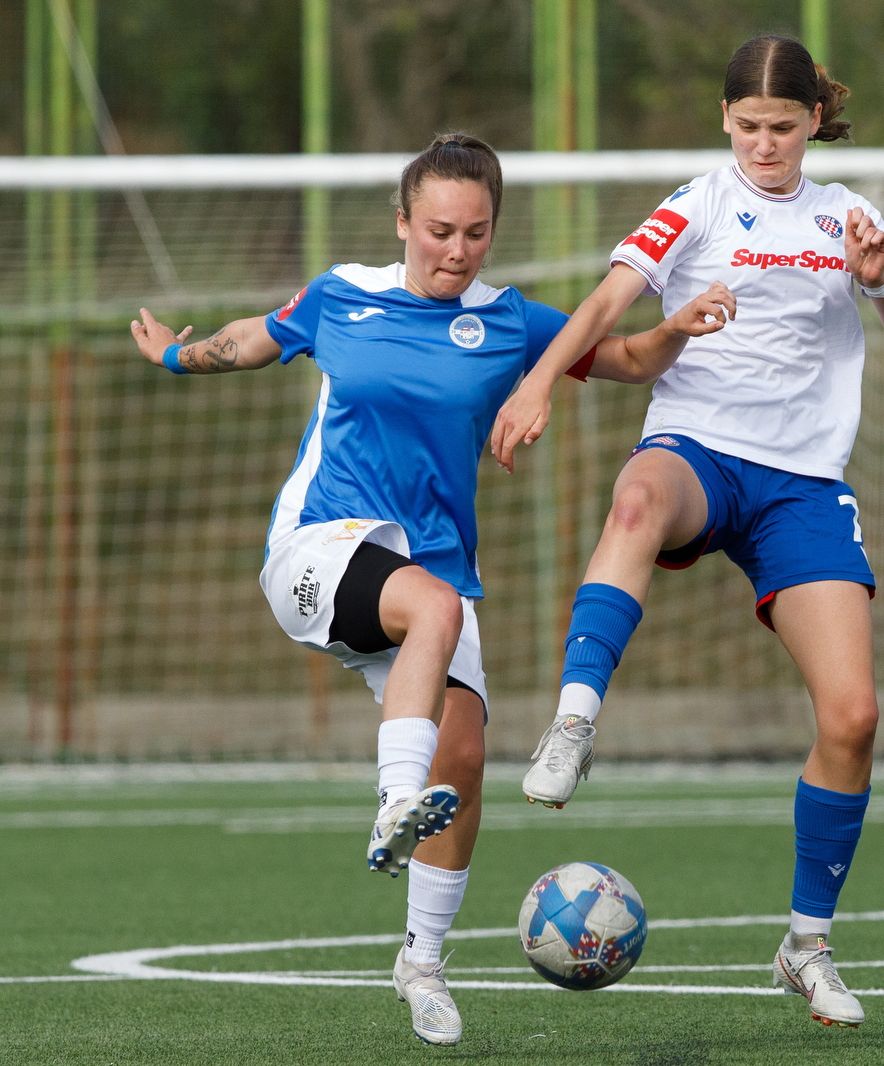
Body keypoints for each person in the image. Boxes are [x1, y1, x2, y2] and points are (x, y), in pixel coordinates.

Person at [129, 134, 736, 1046]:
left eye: (477, 233)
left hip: (432, 569)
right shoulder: (342, 295)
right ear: (403, 223)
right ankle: (391, 803)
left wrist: (675, 328)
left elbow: (626, 359)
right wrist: (180, 358)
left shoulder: (511, 322)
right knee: (434, 614)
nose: (457, 251)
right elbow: (254, 338)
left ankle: (421, 963)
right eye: (440, 231)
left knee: (466, 755)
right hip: (319, 548)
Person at [490, 37, 884, 1029]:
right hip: (700, 446)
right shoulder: (696, 204)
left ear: (814, 120)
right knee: (637, 500)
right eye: (747, 128)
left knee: (853, 716)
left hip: (803, 484)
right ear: (723, 121)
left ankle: (805, 944)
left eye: (782, 127)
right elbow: (606, 302)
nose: (764, 146)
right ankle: (573, 720)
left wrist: (875, 279)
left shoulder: (846, 214)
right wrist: (535, 383)